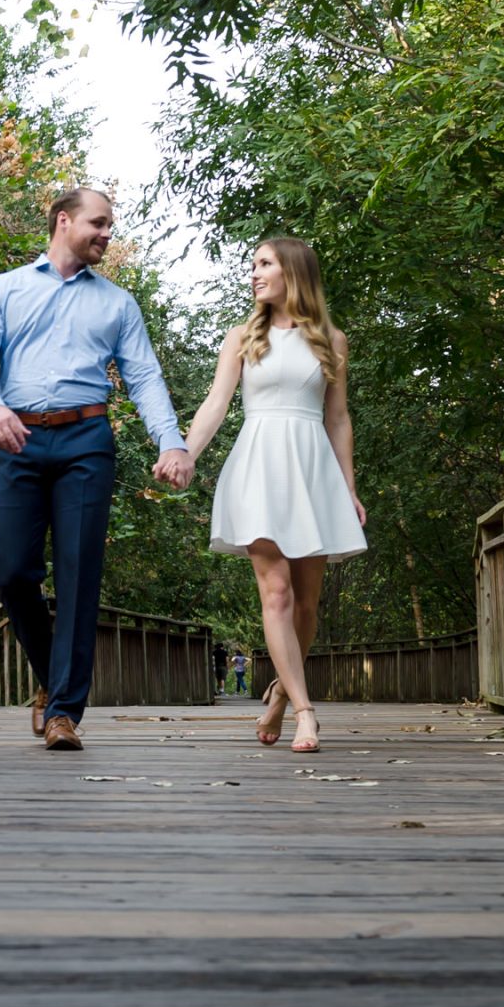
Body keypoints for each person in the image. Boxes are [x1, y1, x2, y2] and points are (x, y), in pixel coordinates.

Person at [0, 187, 191, 752]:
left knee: (80, 574)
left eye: (110, 225)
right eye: (99, 223)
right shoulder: (5, 289)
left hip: (87, 440)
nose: (107, 234)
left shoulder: (117, 304)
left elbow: (143, 378)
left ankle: (65, 710)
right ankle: (51, 680)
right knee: (12, 574)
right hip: (17, 438)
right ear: (63, 222)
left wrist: (171, 441)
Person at [179, 237, 366, 754]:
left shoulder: (332, 339)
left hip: (313, 471)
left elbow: (338, 417)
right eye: (253, 266)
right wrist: (187, 454)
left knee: (307, 604)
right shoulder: (242, 336)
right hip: (259, 465)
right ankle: (307, 714)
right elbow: (216, 404)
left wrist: (348, 488)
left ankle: (283, 693)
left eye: (264, 265)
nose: (254, 274)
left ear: (293, 272)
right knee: (277, 593)